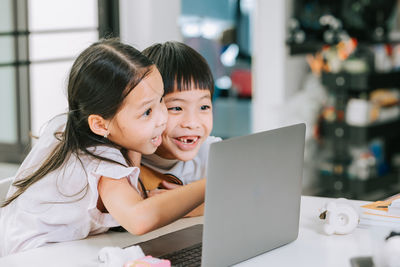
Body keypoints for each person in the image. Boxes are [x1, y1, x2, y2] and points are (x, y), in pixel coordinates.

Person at [0, 39, 205, 256]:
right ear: (99, 124)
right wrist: (208, 186)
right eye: (147, 112)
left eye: (161, 100)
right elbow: (138, 219)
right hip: (26, 257)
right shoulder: (101, 160)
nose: (162, 118)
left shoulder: (68, 126)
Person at [140, 41, 221, 216]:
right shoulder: (128, 161)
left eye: (204, 107)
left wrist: (182, 205)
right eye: (176, 108)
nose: (192, 123)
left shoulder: (213, 154)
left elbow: (251, 199)